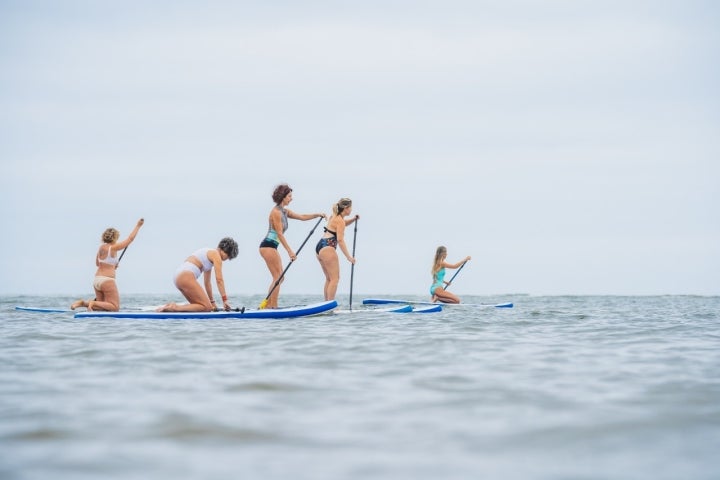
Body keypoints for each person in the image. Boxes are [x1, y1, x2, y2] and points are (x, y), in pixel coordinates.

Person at [259, 184, 326, 308]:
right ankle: (273, 306)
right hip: (267, 245)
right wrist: (290, 252)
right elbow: (279, 233)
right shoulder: (276, 212)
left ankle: (269, 305)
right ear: (283, 197)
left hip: (272, 246)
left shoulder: (284, 211)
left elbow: (302, 217)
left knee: (280, 277)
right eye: (289, 196)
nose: (291, 198)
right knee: (278, 277)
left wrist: (317, 214)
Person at [71, 218, 145, 311]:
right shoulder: (114, 247)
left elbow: (98, 264)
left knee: (101, 308)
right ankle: (91, 302)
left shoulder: (101, 247)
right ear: (115, 238)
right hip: (107, 281)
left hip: (97, 280)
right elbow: (130, 239)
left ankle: (83, 303)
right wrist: (138, 225)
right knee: (114, 307)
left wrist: (112, 265)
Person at [157, 237, 239, 312]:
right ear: (224, 250)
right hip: (185, 276)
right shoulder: (216, 255)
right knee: (207, 308)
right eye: (228, 256)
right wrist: (225, 300)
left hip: (179, 277)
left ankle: (168, 307)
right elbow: (219, 280)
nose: (227, 259)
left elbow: (207, 283)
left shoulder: (210, 255)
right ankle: (174, 307)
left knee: (199, 306)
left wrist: (212, 302)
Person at [316, 197, 359, 301]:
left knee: (329, 279)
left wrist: (353, 219)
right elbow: (340, 240)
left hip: (320, 246)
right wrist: (349, 257)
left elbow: (343, 224)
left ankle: (326, 304)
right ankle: (329, 305)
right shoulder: (340, 221)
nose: (352, 209)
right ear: (346, 208)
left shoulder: (335, 216)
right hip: (328, 247)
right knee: (335, 279)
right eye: (351, 207)